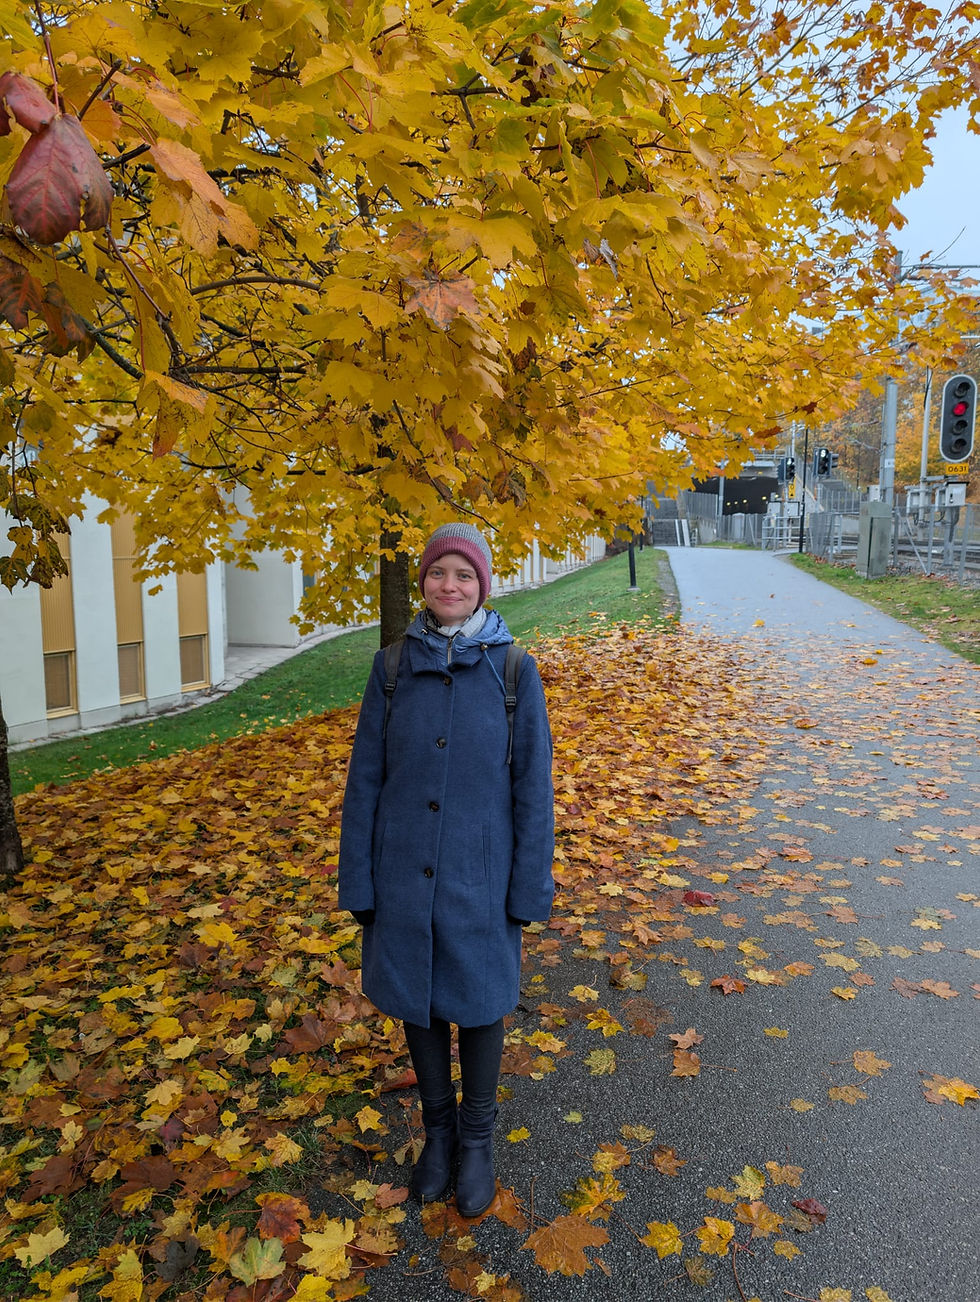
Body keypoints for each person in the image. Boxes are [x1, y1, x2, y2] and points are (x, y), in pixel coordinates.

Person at [338, 522, 555, 1218]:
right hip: (402, 871)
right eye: (439, 574)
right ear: (424, 582)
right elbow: (364, 779)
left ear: (482, 585)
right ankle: (437, 1132)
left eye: (464, 575)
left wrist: (527, 890)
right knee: (419, 1003)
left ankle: (477, 1140)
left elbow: (533, 790)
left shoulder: (514, 670)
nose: (449, 586)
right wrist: (360, 882)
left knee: (482, 1003)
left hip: (479, 879)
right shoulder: (393, 668)